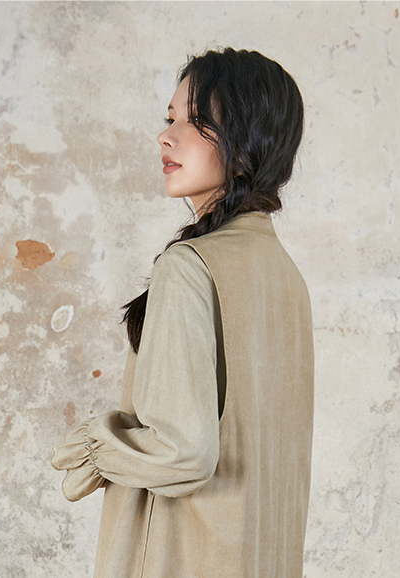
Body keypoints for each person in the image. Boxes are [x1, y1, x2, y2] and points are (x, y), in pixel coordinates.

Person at [50, 47, 314, 578]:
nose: (165, 137)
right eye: (169, 119)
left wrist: (97, 447)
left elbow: (183, 453)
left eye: (194, 121)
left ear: (246, 138)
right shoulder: (286, 278)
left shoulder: (189, 267)